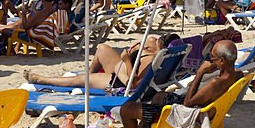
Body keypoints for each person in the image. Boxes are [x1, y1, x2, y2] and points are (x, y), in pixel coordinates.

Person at [119, 40, 243, 128]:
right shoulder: (233, 75)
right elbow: (238, 74)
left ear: (222, 61)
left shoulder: (217, 82)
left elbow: (188, 103)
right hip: (204, 110)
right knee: (159, 96)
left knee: (126, 109)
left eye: (213, 58)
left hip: (188, 113)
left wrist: (200, 73)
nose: (210, 60)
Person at [24, 35, 163, 91]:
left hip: (117, 82)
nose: (154, 39)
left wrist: (127, 61)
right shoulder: (161, 56)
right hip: (119, 71)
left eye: (151, 44)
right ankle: (90, 73)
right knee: (103, 48)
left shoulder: (150, 59)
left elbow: (132, 85)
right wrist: (136, 50)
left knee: (78, 79)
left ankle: (42, 79)